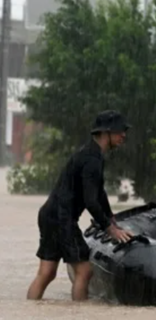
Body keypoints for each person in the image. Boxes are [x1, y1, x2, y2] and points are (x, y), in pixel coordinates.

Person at [27, 110, 134, 301]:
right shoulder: (91, 159)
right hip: (62, 217)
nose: (123, 135)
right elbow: (90, 200)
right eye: (119, 131)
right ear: (105, 133)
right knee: (84, 271)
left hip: (50, 214)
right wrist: (110, 229)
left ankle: (30, 312)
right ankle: (80, 319)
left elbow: (99, 193)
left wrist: (111, 217)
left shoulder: (91, 154)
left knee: (47, 273)